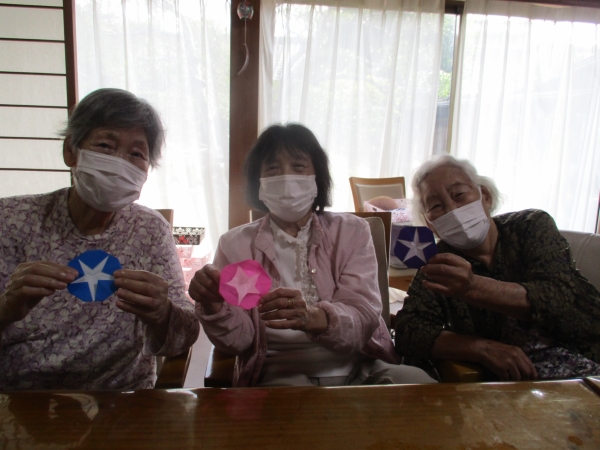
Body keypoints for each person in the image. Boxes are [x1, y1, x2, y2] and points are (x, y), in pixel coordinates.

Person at [189, 123, 435, 387]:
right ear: (257, 183)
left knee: (417, 385)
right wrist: (214, 306)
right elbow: (239, 340)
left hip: (360, 364)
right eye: (272, 169)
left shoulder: (352, 232)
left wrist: (312, 317)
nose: (286, 179)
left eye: (298, 166)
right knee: (290, 403)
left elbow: (363, 316)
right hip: (278, 372)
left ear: (317, 176)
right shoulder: (234, 244)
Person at [0, 88, 199, 390]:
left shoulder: (149, 229)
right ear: (71, 151)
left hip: (121, 396)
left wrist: (163, 314)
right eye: (105, 146)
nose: (119, 163)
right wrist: (7, 308)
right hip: (21, 396)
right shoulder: (11, 219)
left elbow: (181, 337)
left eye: (136, 154)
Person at [395, 155, 600, 381]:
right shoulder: (439, 262)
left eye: (459, 194)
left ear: (485, 196)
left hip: (587, 361)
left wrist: (472, 287)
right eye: (435, 206)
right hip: (515, 385)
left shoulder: (531, 226)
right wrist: (480, 348)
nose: (452, 209)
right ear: (429, 224)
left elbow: (556, 297)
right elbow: (409, 331)